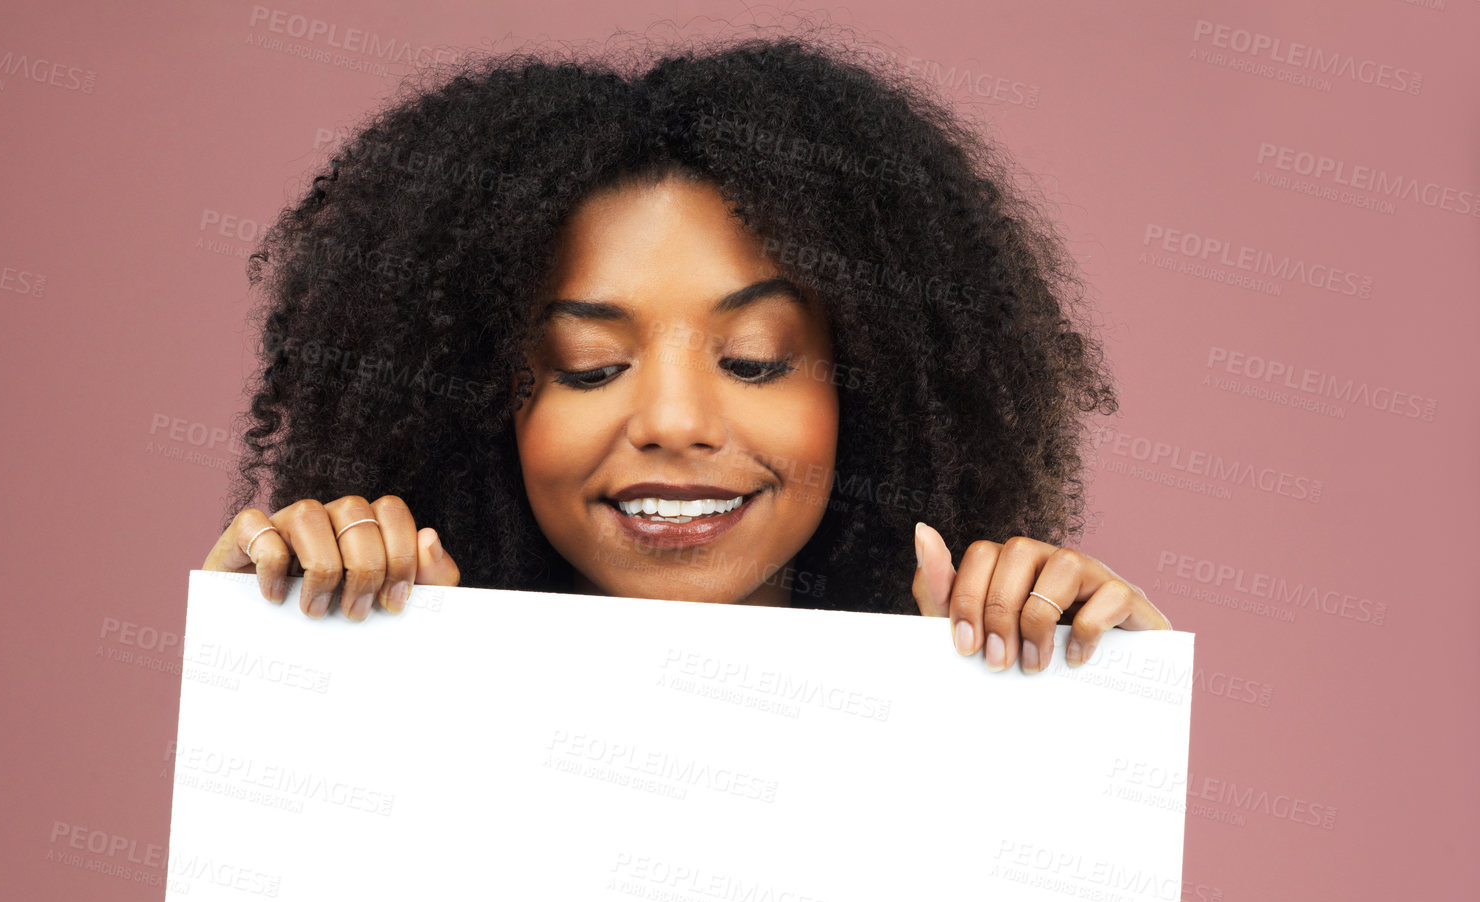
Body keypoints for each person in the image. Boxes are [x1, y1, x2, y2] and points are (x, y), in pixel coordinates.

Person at [202, 28, 1171, 674]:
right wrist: (292, 662)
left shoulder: (1018, 715)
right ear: (473, 400)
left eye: (754, 358)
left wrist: (1101, 708)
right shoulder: (341, 682)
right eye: (587, 364)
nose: (673, 421)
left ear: (869, 392)